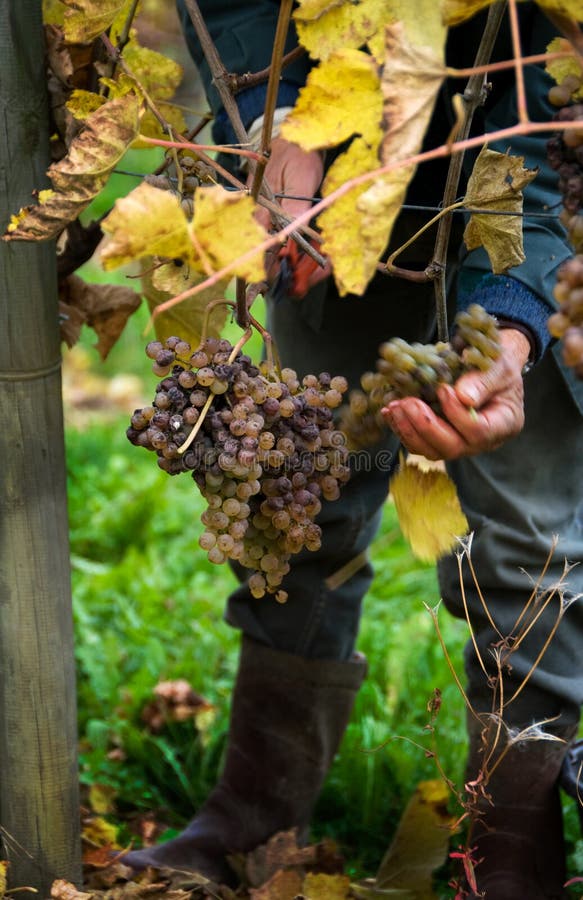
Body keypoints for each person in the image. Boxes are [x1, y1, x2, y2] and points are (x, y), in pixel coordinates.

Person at [124, 3, 583, 896]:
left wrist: (515, 329)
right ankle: (251, 819)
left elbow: (536, 125)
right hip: (329, 201)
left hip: (514, 173)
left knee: (528, 554)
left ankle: (509, 854)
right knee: (293, 501)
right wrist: (278, 122)